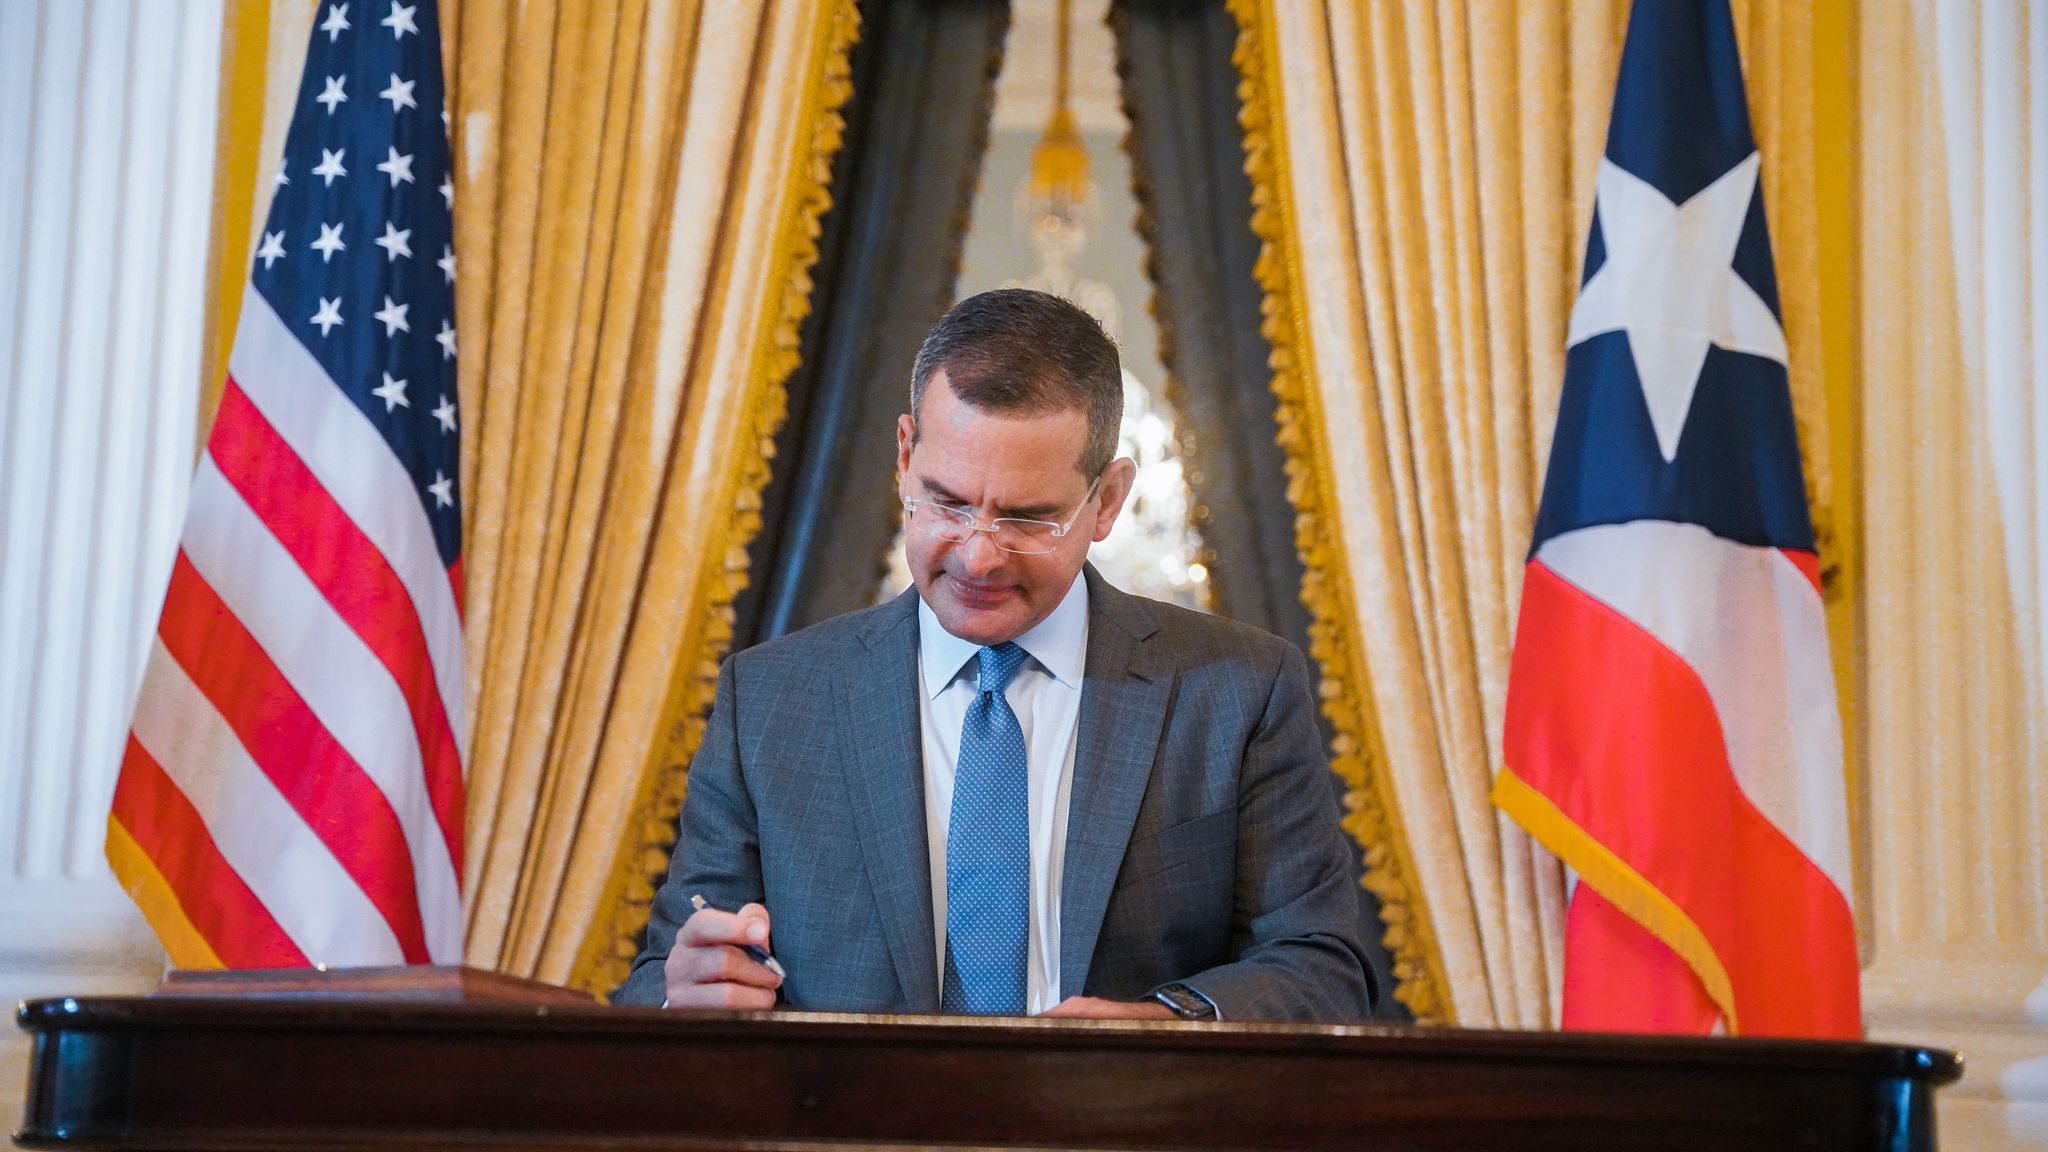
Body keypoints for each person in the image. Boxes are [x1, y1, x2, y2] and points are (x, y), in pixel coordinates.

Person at [612, 289, 1375, 1021]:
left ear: (1107, 500)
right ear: (905, 457)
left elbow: (1323, 968)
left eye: (1027, 518)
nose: (978, 557)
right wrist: (690, 994)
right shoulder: (770, 700)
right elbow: (660, 980)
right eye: (947, 501)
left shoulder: (1239, 691)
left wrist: (1157, 1028)